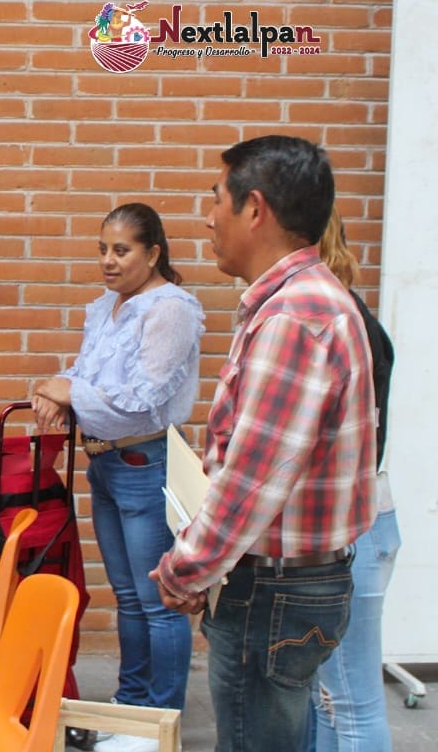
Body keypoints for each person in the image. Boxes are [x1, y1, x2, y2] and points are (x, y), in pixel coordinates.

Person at [152, 135, 377, 752]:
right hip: (289, 585)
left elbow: (252, 483)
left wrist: (185, 569)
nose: (206, 216)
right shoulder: (306, 302)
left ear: (255, 209)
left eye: (215, 198)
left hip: (271, 590)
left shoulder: (293, 318)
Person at [32, 203, 204, 752]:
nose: (108, 260)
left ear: (152, 253)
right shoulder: (107, 304)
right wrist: (59, 391)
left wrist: (69, 392)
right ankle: (133, 707)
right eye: (103, 248)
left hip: (143, 459)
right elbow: (88, 374)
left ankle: (161, 720)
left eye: (122, 250)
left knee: (159, 597)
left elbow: (141, 399)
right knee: (129, 596)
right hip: (105, 462)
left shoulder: (170, 307)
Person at [309, 209, 399, 752]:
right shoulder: (351, 317)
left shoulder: (344, 324)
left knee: (352, 702)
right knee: (330, 698)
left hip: (356, 527)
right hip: (362, 522)